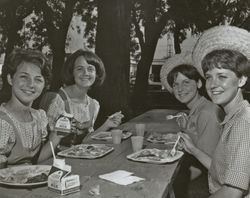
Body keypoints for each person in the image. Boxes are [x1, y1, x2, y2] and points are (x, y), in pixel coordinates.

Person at [181, 25, 250, 198]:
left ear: (241, 80)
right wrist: (193, 149)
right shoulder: (232, 116)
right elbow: (221, 171)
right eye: (209, 77)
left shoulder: (244, 122)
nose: (212, 84)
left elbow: (233, 191)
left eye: (222, 76)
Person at [160, 52, 224, 198]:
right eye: (175, 84)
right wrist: (184, 128)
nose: (180, 89)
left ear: (199, 83)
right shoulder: (196, 108)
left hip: (209, 180)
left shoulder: (207, 112)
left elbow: (210, 162)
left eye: (186, 82)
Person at [42, 49, 124, 146]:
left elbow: (86, 140)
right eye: (80, 69)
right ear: (72, 72)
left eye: (90, 69)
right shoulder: (56, 99)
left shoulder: (93, 105)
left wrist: (107, 124)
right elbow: (42, 143)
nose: (86, 73)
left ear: (96, 74)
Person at [0, 48, 63, 167]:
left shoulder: (39, 117)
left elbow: (36, 161)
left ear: (45, 84)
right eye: (24, 77)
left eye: (38, 79)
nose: (31, 84)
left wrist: (57, 135)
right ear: (10, 79)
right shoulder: (3, 122)